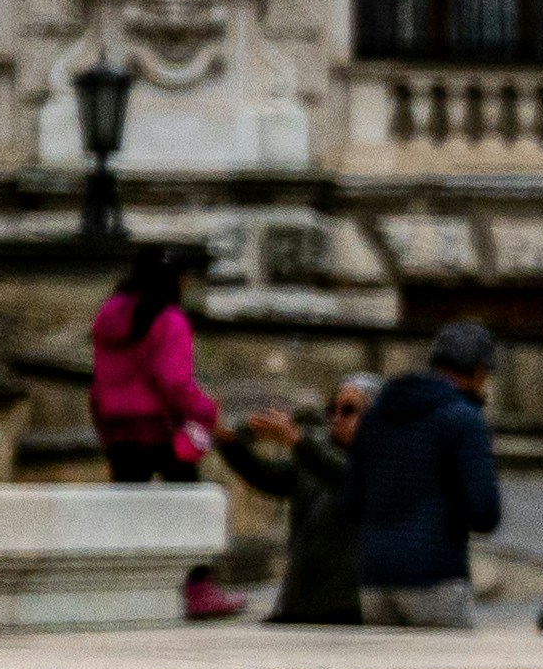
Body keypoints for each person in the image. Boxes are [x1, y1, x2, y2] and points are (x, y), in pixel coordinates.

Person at [354, 322, 507, 632]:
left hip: (374, 577)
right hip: (436, 576)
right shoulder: (464, 419)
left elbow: (351, 500)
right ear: (478, 371)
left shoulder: (377, 413)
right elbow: (484, 512)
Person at [221, 377, 374, 630]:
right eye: (331, 409)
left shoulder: (381, 463)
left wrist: (297, 441)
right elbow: (266, 476)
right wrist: (229, 442)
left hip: (348, 612)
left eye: (348, 410)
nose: (336, 417)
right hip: (301, 607)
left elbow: (346, 478)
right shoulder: (316, 458)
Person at [86, 242, 224, 484]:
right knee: (188, 511)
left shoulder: (109, 316)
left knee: (126, 513)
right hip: (161, 432)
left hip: (117, 433)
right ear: (177, 280)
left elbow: (100, 381)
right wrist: (206, 410)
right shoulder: (170, 319)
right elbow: (174, 381)